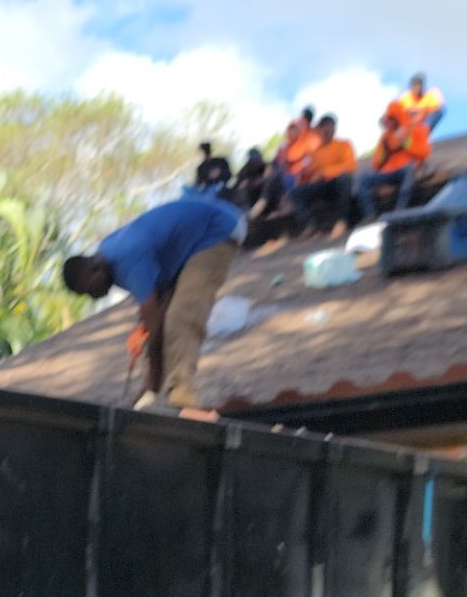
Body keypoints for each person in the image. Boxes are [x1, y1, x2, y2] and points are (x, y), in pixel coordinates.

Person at [62, 195, 246, 410]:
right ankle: (154, 392)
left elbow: (155, 326)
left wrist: (151, 377)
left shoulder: (127, 260)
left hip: (217, 231)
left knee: (182, 317)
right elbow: (152, 317)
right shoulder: (108, 253)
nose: (93, 296)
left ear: (94, 269)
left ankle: (180, 394)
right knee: (156, 327)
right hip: (185, 250)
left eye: (89, 289)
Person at [356, 103, 431, 219]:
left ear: (398, 117)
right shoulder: (385, 136)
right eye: (388, 119)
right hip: (387, 173)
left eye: (392, 118)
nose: (388, 122)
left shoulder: (416, 130)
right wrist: (384, 151)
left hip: (404, 170)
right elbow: (375, 163)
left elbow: (424, 153)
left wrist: (405, 143)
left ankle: (399, 212)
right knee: (363, 178)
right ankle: (370, 215)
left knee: (408, 170)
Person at [289, 116, 357, 235]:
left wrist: (324, 172)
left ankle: (341, 222)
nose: (326, 130)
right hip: (322, 186)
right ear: (319, 130)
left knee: (345, 179)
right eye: (323, 127)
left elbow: (350, 166)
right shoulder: (315, 152)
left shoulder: (344, 144)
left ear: (334, 129)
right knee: (296, 192)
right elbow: (310, 172)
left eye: (329, 126)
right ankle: (310, 224)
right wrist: (304, 175)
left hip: (338, 184)